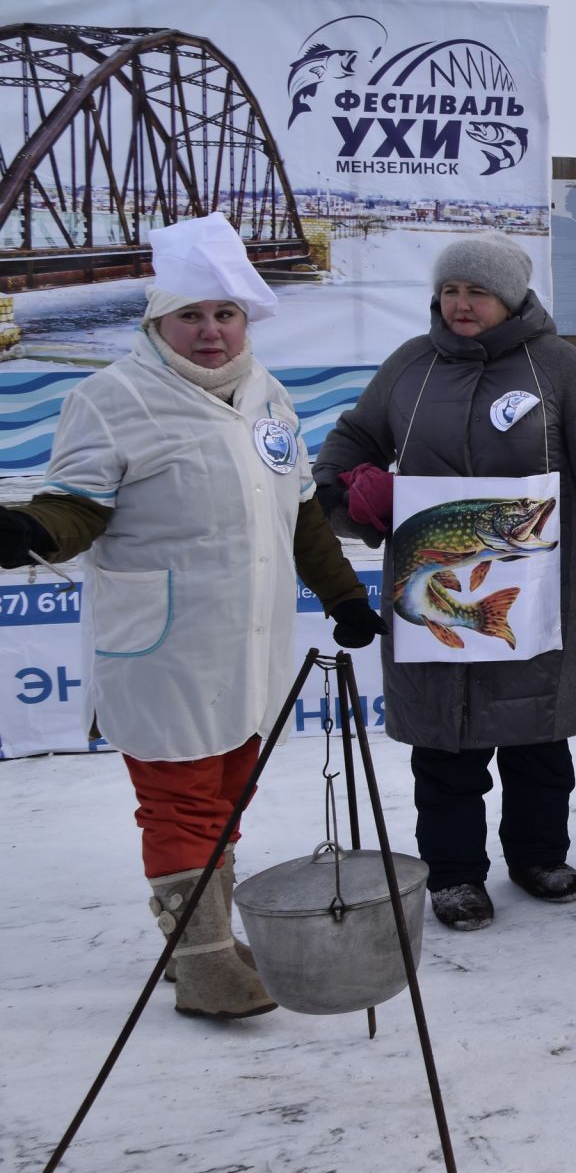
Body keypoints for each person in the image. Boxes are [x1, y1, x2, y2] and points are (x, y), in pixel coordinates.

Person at [0, 215, 384, 1018]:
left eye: (225, 314)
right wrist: (34, 531)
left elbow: (301, 513)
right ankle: (206, 960)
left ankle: (195, 939)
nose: (210, 332)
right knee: (180, 799)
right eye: (191, 316)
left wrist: (343, 594)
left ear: (246, 318)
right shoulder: (110, 400)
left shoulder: (268, 395)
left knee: (229, 790)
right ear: (157, 323)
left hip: (251, 640)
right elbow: (78, 505)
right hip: (165, 644)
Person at [315, 232, 576, 931]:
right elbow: (351, 442)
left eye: (476, 292)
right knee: (446, 751)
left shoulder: (560, 370)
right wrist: (345, 496)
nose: (460, 304)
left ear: (509, 299)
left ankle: (538, 856)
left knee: (538, 740)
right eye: (450, 291)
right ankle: (454, 875)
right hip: (433, 592)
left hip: (533, 594)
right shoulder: (410, 367)